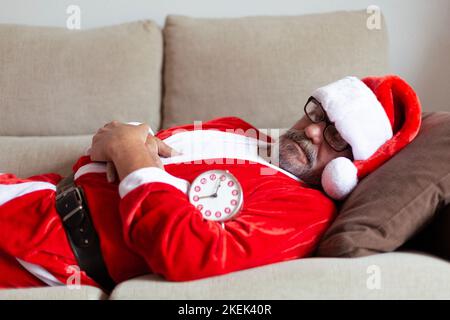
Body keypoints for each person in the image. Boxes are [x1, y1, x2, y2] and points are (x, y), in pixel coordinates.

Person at [0, 75, 421, 292]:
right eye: (319, 115)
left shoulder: (304, 210)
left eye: (336, 138)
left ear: (348, 169)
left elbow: (194, 255)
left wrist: (130, 154)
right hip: (30, 192)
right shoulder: (237, 131)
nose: (313, 132)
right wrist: (118, 144)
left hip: (47, 254)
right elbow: (110, 154)